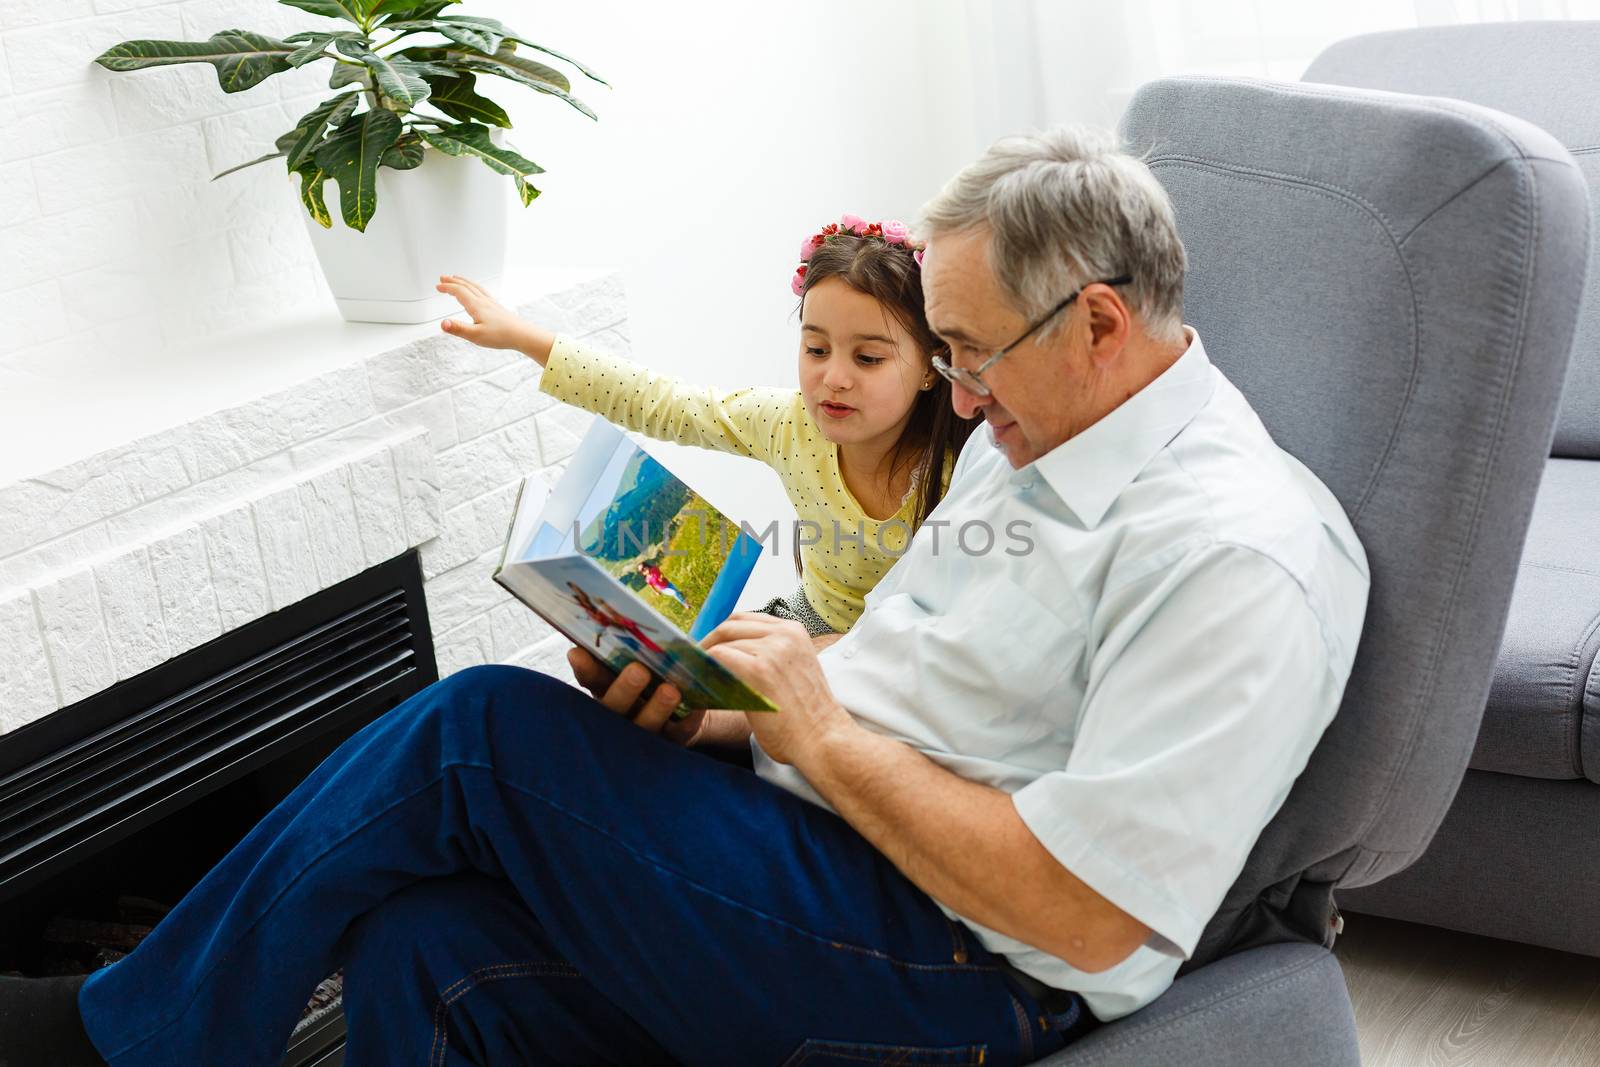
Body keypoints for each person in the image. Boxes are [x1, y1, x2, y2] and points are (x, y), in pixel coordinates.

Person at [1, 127, 1368, 1067]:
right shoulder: (1039, 433)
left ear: (1099, 324)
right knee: (425, 941)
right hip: (832, 844)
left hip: (958, 962)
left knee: (475, 728)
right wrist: (724, 711)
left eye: (965, 356)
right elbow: (918, 683)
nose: (956, 397)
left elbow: (1089, 913)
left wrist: (820, 731)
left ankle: (119, 1036)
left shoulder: (1235, 551)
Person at [435, 214, 979, 638]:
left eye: (868, 359)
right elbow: (662, 403)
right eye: (816, 348)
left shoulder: (968, 462)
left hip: (904, 650)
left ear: (932, 367)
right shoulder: (787, 425)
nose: (833, 377)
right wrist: (523, 337)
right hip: (809, 624)